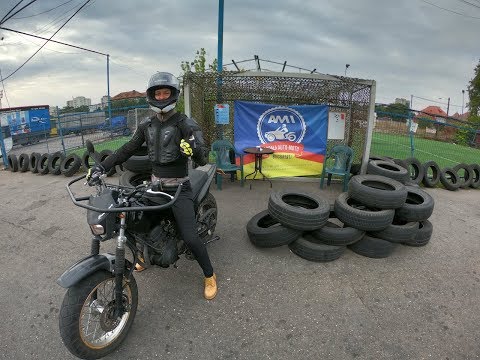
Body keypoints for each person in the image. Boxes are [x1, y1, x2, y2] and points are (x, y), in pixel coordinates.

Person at [87, 72, 217, 300]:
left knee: (190, 236)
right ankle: (144, 257)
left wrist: (193, 149)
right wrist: (102, 167)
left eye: (166, 92)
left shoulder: (186, 124)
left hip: (179, 188)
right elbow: (126, 149)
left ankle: (209, 275)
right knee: (137, 222)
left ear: (173, 94)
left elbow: (203, 159)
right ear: (152, 96)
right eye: (158, 92)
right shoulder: (147, 124)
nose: (162, 96)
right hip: (155, 187)